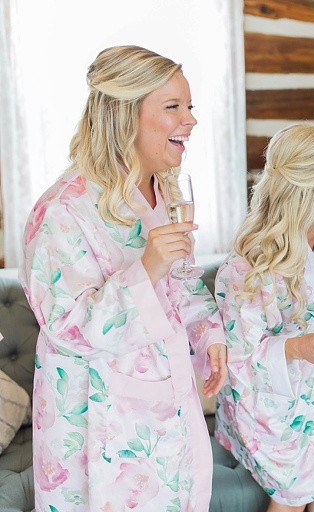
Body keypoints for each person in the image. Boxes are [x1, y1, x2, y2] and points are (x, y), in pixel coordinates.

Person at [19, 45, 228, 510]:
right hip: (101, 425)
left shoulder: (164, 189)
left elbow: (182, 280)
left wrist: (208, 332)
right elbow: (68, 328)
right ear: (125, 115)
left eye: (189, 105)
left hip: (165, 412)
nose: (191, 120)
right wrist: (146, 268)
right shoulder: (63, 211)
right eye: (173, 107)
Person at [214, 124, 314, 512]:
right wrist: (300, 347)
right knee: (295, 497)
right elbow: (241, 359)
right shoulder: (246, 269)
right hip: (270, 406)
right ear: (306, 191)